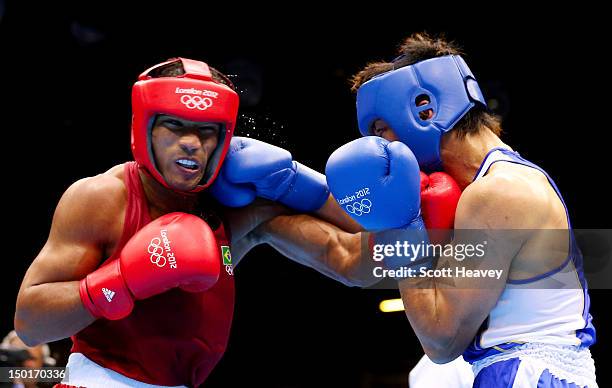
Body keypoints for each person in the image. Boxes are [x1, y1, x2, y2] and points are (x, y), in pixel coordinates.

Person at [13, 57, 373, 388]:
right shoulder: (102, 199)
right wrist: (121, 280)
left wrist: (300, 184)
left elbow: (355, 260)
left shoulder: (237, 209)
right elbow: (30, 325)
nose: (191, 143)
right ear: (144, 127)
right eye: (174, 125)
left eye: (207, 130)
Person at [324, 33, 597, 387]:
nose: (379, 147)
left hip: (525, 373)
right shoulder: (484, 187)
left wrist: (400, 233)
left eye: (380, 129)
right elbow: (352, 247)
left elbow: (442, 339)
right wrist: (288, 186)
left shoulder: (498, 193)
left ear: (424, 110)